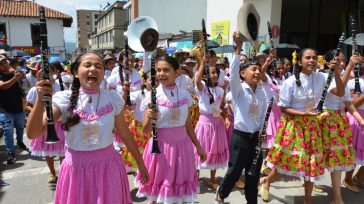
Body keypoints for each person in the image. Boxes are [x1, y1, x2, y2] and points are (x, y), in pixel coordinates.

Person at [26, 52, 149, 204]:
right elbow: (33, 133)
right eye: (87, 65)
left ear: (104, 73)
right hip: (76, 171)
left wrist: (141, 164)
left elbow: (126, 135)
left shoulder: (112, 98)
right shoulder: (64, 99)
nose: (93, 69)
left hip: (109, 168)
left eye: (99, 66)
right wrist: (40, 101)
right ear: (76, 73)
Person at [262, 48, 343, 204]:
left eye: (314, 57)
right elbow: (283, 107)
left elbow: (339, 92)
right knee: (287, 162)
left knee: (311, 165)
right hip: (293, 127)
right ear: (299, 61)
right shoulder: (290, 81)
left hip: (313, 126)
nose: (311, 60)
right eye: (308, 58)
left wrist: (336, 71)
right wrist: (304, 114)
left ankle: (307, 200)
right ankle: (266, 181)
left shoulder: (322, 76)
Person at [135, 56, 206, 204]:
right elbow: (146, 131)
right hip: (160, 148)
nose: (161, 74)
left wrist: (198, 147)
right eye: (158, 70)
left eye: (166, 70)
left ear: (177, 72)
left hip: (183, 148)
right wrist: (149, 116)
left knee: (180, 193)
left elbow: (188, 126)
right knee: (158, 192)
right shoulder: (152, 96)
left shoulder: (185, 95)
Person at [215, 32, 270, 204]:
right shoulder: (238, 90)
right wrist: (238, 49)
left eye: (258, 69)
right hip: (240, 138)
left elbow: (262, 114)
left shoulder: (261, 93)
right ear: (243, 74)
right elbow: (232, 72)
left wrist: (262, 130)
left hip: (255, 139)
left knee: (253, 175)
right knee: (234, 171)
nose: (257, 72)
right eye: (253, 69)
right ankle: (222, 193)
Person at [319, 51, 363, 203]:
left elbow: (348, 103)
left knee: (336, 160)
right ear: (327, 61)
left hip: (340, 121)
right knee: (314, 158)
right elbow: (339, 91)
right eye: (339, 61)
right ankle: (268, 180)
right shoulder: (323, 77)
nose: (342, 64)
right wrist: (351, 66)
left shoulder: (345, 75)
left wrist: (361, 121)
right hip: (325, 120)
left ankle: (337, 197)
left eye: (344, 61)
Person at [194, 50, 229, 190]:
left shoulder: (220, 91)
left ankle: (212, 179)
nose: (214, 75)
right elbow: (197, 80)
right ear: (206, 74)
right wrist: (202, 63)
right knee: (200, 151)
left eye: (216, 73)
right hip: (204, 125)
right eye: (212, 72)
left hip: (216, 125)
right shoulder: (202, 88)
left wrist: (225, 118)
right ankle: (195, 178)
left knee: (214, 151)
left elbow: (222, 107)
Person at [25, 66, 66, 183]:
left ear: (54, 73)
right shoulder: (35, 89)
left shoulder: (62, 86)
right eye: (43, 73)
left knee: (63, 151)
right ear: (38, 74)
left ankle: (64, 174)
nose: (47, 75)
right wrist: (40, 110)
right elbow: (27, 105)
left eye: (50, 72)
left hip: (60, 124)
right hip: (44, 124)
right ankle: (52, 173)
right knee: (48, 152)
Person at [0, 55, 27, 165]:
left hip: (19, 107)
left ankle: (20, 142)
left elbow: (24, 81)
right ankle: (11, 152)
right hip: (5, 109)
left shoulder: (13, 73)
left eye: (4, 62)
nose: (3, 65)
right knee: (8, 131)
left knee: (20, 128)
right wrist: (15, 78)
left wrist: (21, 76)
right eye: (0, 64)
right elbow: (3, 86)